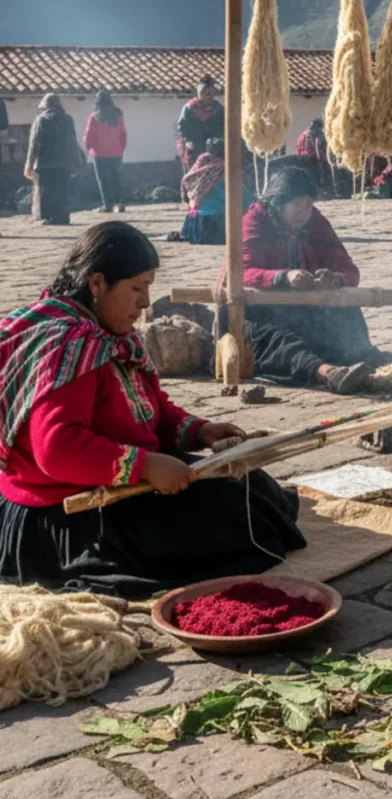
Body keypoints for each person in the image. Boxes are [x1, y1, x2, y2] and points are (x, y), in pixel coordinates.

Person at [0, 222, 305, 596]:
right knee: (232, 526)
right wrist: (145, 466)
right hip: (68, 514)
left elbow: (149, 407)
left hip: (113, 482)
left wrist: (199, 430)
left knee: (250, 489)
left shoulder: (109, 334)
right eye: (136, 289)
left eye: (148, 288)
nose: (145, 302)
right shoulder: (71, 344)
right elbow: (58, 449)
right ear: (97, 284)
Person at [238, 165, 392, 393]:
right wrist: (284, 277)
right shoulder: (255, 220)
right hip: (255, 310)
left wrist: (336, 279)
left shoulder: (315, 222)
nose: (304, 212)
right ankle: (328, 373)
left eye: (309, 205)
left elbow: (349, 269)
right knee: (278, 339)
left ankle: (367, 361)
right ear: (279, 203)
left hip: (302, 308)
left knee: (345, 309)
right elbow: (244, 270)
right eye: (297, 205)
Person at [179, 138, 255, 245]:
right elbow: (245, 199)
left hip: (197, 225)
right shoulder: (224, 171)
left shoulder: (201, 166)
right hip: (218, 224)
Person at [24, 93, 80, 226]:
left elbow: (34, 144)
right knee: (62, 190)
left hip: (45, 163)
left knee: (46, 192)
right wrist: (76, 158)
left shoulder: (41, 120)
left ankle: (47, 217)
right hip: (64, 163)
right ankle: (63, 216)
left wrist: (29, 164)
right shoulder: (68, 119)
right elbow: (72, 141)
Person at [83, 91, 128, 214]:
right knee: (116, 179)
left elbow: (88, 136)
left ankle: (108, 205)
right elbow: (123, 134)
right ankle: (120, 204)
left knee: (103, 180)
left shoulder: (94, 117)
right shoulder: (118, 115)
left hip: (99, 153)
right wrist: (121, 148)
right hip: (116, 152)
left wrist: (88, 147)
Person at [176, 76, 224, 174]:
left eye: (210, 92)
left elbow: (224, 126)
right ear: (198, 92)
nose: (207, 95)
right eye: (204, 92)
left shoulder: (218, 108)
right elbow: (182, 129)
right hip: (195, 147)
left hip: (215, 149)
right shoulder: (189, 108)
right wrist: (189, 141)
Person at [295, 117, 336, 197]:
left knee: (306, 178)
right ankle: (324, 193)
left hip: (301, 159)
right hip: (312, 159)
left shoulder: (302, 134)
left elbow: (298, 147)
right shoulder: (315, 134)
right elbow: (317, 148)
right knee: (319, 178)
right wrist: (324, 159)